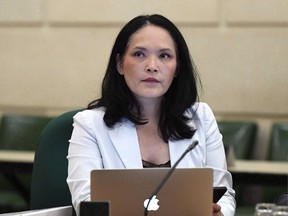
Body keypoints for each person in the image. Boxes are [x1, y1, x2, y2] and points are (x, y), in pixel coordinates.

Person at [67, 14, 236, 216]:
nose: (152, 66)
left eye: (164, 55)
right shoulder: (90, 124)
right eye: (139, 54)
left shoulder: (202, 117)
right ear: (120, 64)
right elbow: (88, 204)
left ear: (177, 67)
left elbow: (223, 194)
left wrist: (220, 213)